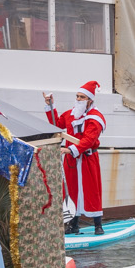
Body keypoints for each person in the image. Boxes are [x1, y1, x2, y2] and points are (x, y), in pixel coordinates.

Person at [45, 83, 107, 235]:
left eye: (82, 97)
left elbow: (89, 140)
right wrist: (50, 106)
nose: (79, 99)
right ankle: (74, 224)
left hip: (87, 158)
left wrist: (70, 149)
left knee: (92, 191)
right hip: (71, 160)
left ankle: (98, 225)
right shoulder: (71, 114)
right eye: (77, 96)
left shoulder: (95, 118)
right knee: (71, 190)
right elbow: (56, 125)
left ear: (90, 100)